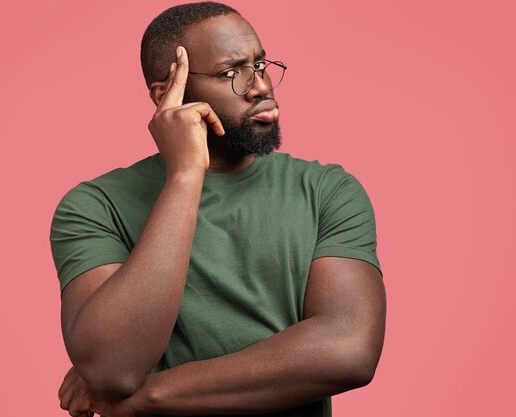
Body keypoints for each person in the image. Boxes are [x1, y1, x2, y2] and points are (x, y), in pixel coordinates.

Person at [50, 2, 386, 417]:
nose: (260, 86)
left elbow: (348, 350)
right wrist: (186, 175)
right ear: (167, 94)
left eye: (260, 65)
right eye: (232, 73)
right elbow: (112, 368)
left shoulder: (326, 191)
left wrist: (147, 399)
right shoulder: (93, 206)